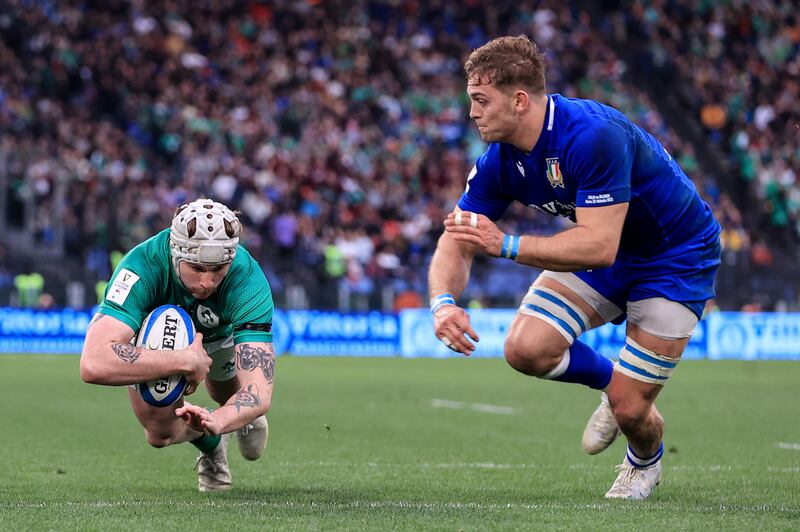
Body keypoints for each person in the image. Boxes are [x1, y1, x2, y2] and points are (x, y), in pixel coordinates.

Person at [428, 36, 720, 500]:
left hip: (675, 257)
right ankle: (612, 384)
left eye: (481, 100)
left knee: (631, 411)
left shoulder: (591, 135)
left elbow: (599, 246)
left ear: (519, 100)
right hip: (607, 248)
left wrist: (505, 245)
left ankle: (644, 460)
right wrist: (443, 304)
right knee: (525, 348)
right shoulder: (500, 160)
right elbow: (457, 238)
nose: (472, 112)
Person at [80, 199, 275, 492]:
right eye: (196, 267)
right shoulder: (142, 265)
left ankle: (237, 418)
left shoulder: (247, 278)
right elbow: (93, 363)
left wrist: (219, 419)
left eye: (218, 268)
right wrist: (184, 360)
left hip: (222, 335)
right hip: (160, 339)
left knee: (231, 397)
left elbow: (259, 391)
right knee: (158, 434)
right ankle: (213, 448)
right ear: (176, 252)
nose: (208, 281)